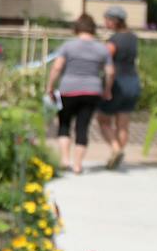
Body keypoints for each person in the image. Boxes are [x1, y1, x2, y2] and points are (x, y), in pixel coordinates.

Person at [45, 13, 114, 175]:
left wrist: (49, 86)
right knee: (82, 127)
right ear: (93, 29)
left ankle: (64, 159)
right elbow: (110, 72)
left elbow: (56, 67)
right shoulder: (101, 49)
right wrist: (107, 89)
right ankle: (77, 165)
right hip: (92, 90)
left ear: (76, 28)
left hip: (68, 89)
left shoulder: (68, 46)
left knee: (64, 123)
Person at [95, 6, 140, 169]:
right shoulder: (133, 37)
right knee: (123, 124)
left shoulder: (115, 40)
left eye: (107, 19)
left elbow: (105, 58)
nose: (105, 22)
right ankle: (118, 155)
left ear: (114, 21)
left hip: (117, 82)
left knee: (103, 120)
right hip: (133, 81)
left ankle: (115, 149)